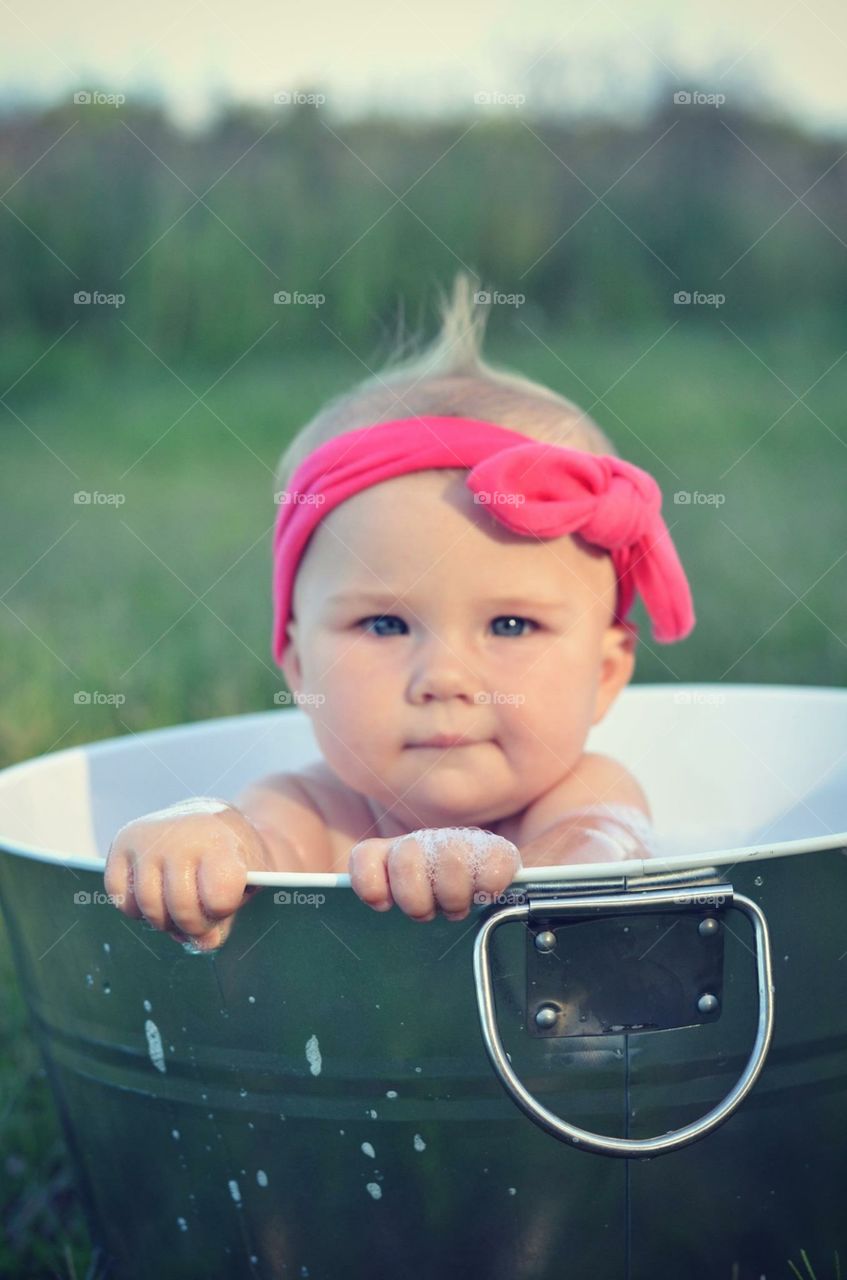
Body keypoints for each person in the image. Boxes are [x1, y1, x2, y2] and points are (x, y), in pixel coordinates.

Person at [103, 272, 695, 951]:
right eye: (383, 625)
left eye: (510, 625)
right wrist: (198, 834)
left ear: (606, 670)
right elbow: (248, 846)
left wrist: (484, 861)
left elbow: (602, 850)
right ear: (299, 666)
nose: (443, 677)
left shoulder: (586, 794)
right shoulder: (309, 810)